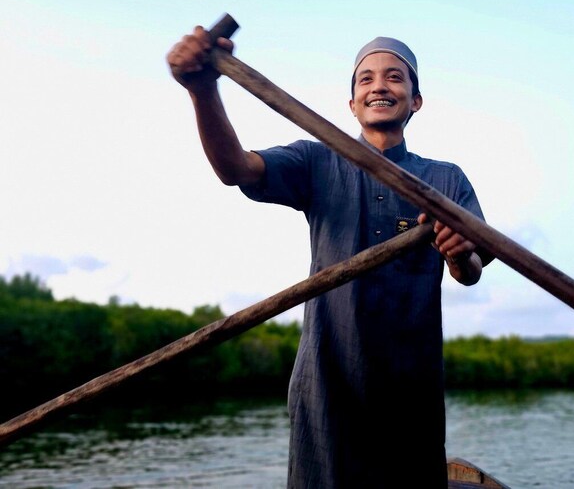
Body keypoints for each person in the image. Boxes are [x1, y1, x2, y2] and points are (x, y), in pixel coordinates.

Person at [167, 27, 492, 488]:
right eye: (366, 80)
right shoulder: (316, 161)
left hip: (411, 390)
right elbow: (235, 168)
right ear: (353, 104)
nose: (379, 86)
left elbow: (471, 271)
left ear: (416, 101)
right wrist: (203, 91)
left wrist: (459, 256)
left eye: (395, 77)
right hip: (327, 386)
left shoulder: (446, 179)